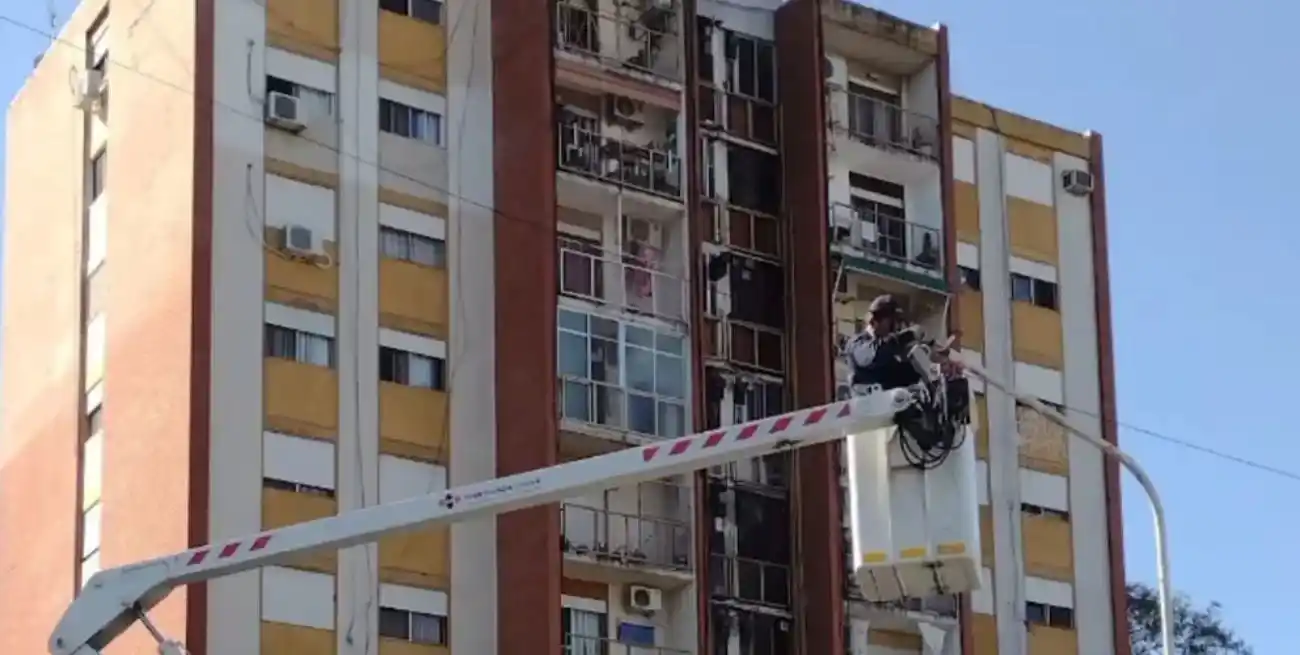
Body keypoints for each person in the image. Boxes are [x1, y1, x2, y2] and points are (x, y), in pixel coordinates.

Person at [842, 294, 924, 393]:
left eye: (899, 321)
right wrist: (907, 336)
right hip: (869, 405)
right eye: (892, 322)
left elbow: (906, 375)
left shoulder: (892, 350)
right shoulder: (857, 344)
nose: (897, 326)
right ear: (875, 321)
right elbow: (874, 356)